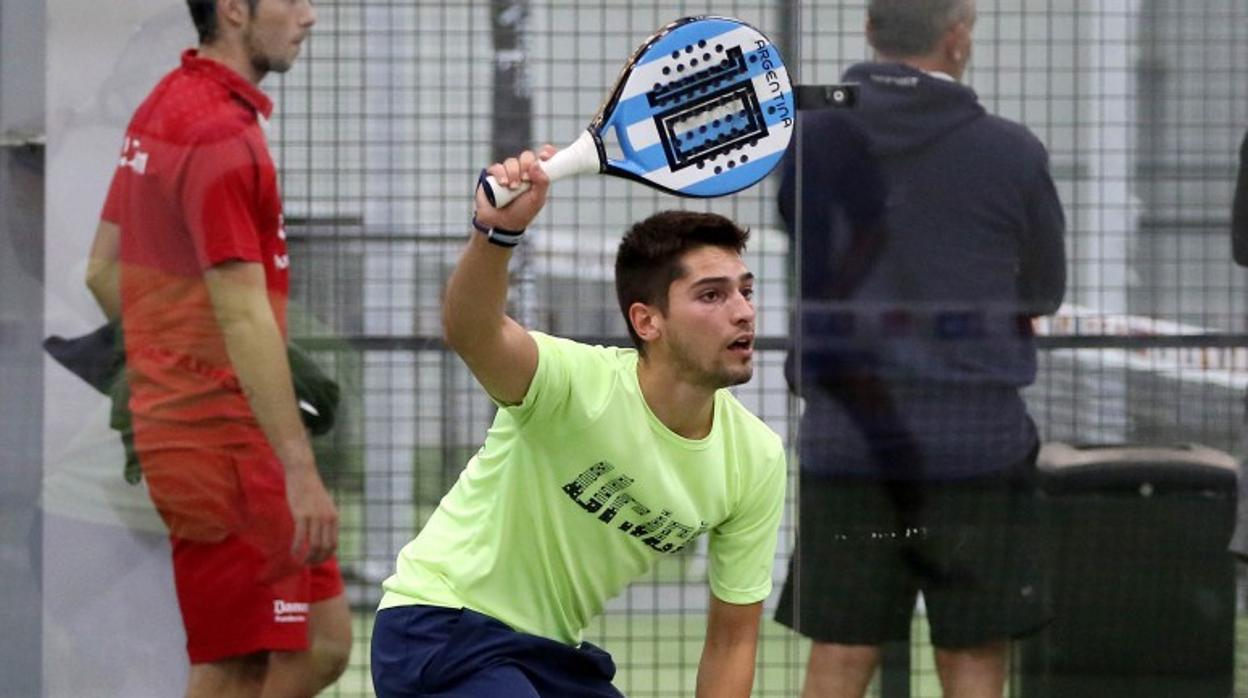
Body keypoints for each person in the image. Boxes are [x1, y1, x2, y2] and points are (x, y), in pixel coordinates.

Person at [370, 148, 788, 697]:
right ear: (648, 321)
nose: (743, 311)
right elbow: (474, 332)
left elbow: (733, 641)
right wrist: (495, 237)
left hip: (548, 653)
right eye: (712, 294)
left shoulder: (755, 459)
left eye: (746, 291)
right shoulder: (573, 384)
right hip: (440, 623)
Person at [773, 1, 1067, 697]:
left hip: (849, 443)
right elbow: (1044, 292)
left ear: (869, 32)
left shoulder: (811, 138)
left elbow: (802, 235)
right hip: (976, 449)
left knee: (841, 650)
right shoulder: (1013, 153)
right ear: (958, 37)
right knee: (971, 652)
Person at [84, 1, 351, 695]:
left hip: (205, 428)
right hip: (224, 444)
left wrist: (165, 367)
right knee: (239, 665)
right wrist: (299, 469)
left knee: (320, 644)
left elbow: (104, 271)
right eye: (291, 0)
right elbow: (242, 316)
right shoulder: (219, 137)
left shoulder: (167, 104)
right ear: (235, 8)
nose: (310, 15)